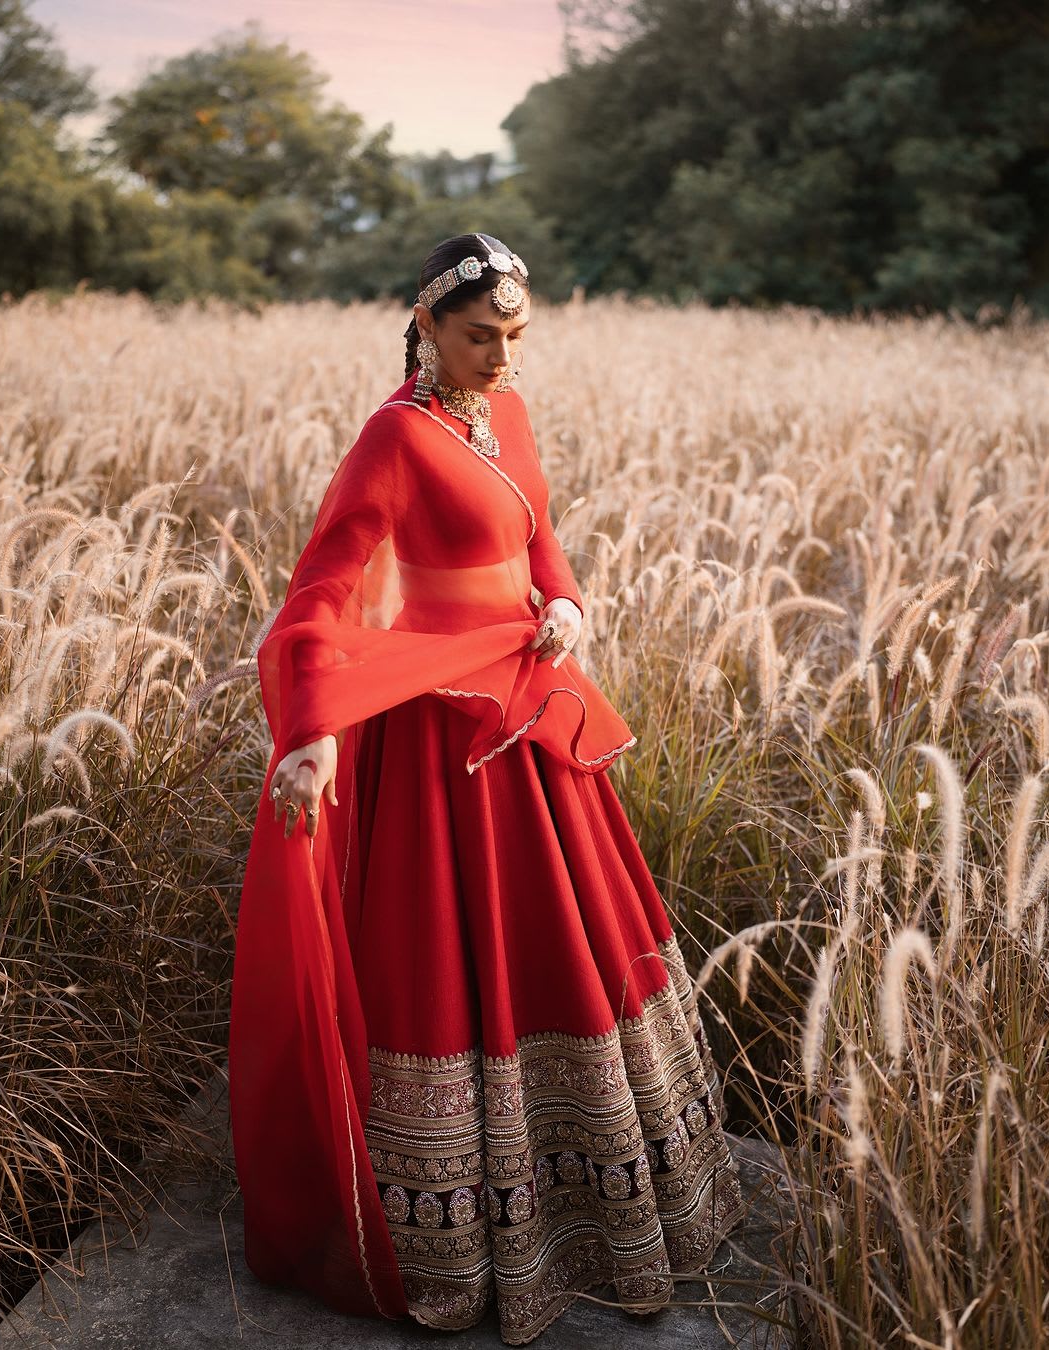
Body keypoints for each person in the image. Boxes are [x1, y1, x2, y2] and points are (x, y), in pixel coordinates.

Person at [228, 232, 747, 1345]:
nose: (503, 356)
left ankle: (603, 1206)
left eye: (516, 337)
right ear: (426, 326)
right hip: (440, 737)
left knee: (569, 935)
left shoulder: (502, 413)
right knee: (456, 961)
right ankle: (461, 1235)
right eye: (480, 337)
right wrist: (311, 731)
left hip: (531, 704)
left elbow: (537, 534)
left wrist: (566, 603)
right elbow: (320, 588)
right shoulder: (395, 438)